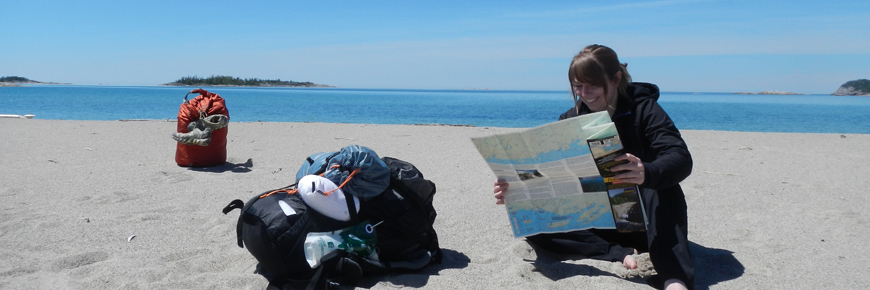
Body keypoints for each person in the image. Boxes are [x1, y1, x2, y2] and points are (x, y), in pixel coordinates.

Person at [493, 44, 694, 290]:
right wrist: (517, 188)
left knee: (663, 188)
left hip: (645, 218)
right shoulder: (571, 119)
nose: (585, 93)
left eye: (593, 85)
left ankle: (673, 278)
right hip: (602, 221)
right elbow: (553, 172)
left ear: (616, 78)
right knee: (534, 223)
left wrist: (646, 172)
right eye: (578, 86)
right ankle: (618, 253)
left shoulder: (644, 108)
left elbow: (680, 158)